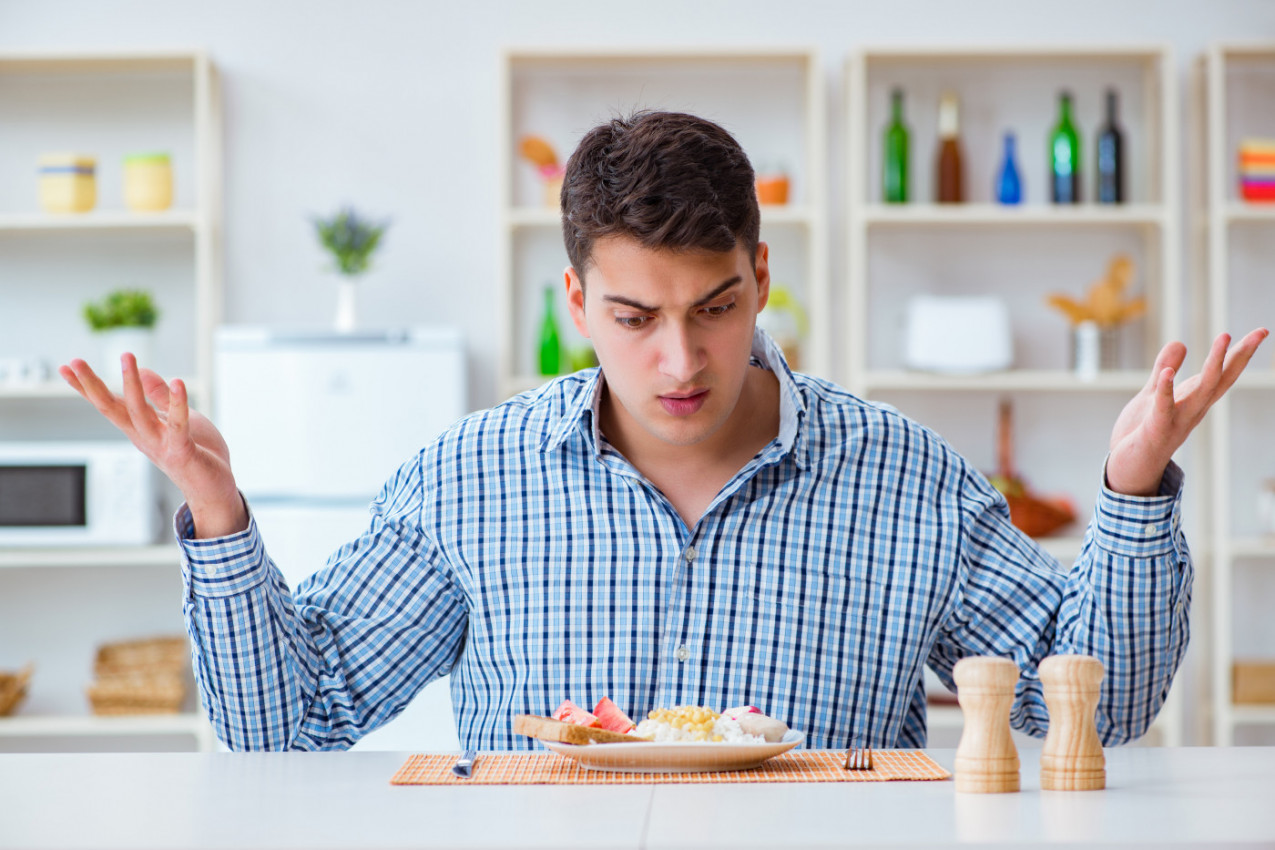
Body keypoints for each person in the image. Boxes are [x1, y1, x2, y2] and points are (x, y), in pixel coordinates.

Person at [61, 111, 1266, 752]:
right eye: (634, 317)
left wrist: (1132, 484)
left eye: (717, 308)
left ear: (763, 277)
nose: (680, 361)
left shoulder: (904, 476)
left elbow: (1089, 715)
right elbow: (298, 716)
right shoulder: (471, 478)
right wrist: (218, 516)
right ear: (575, 300)